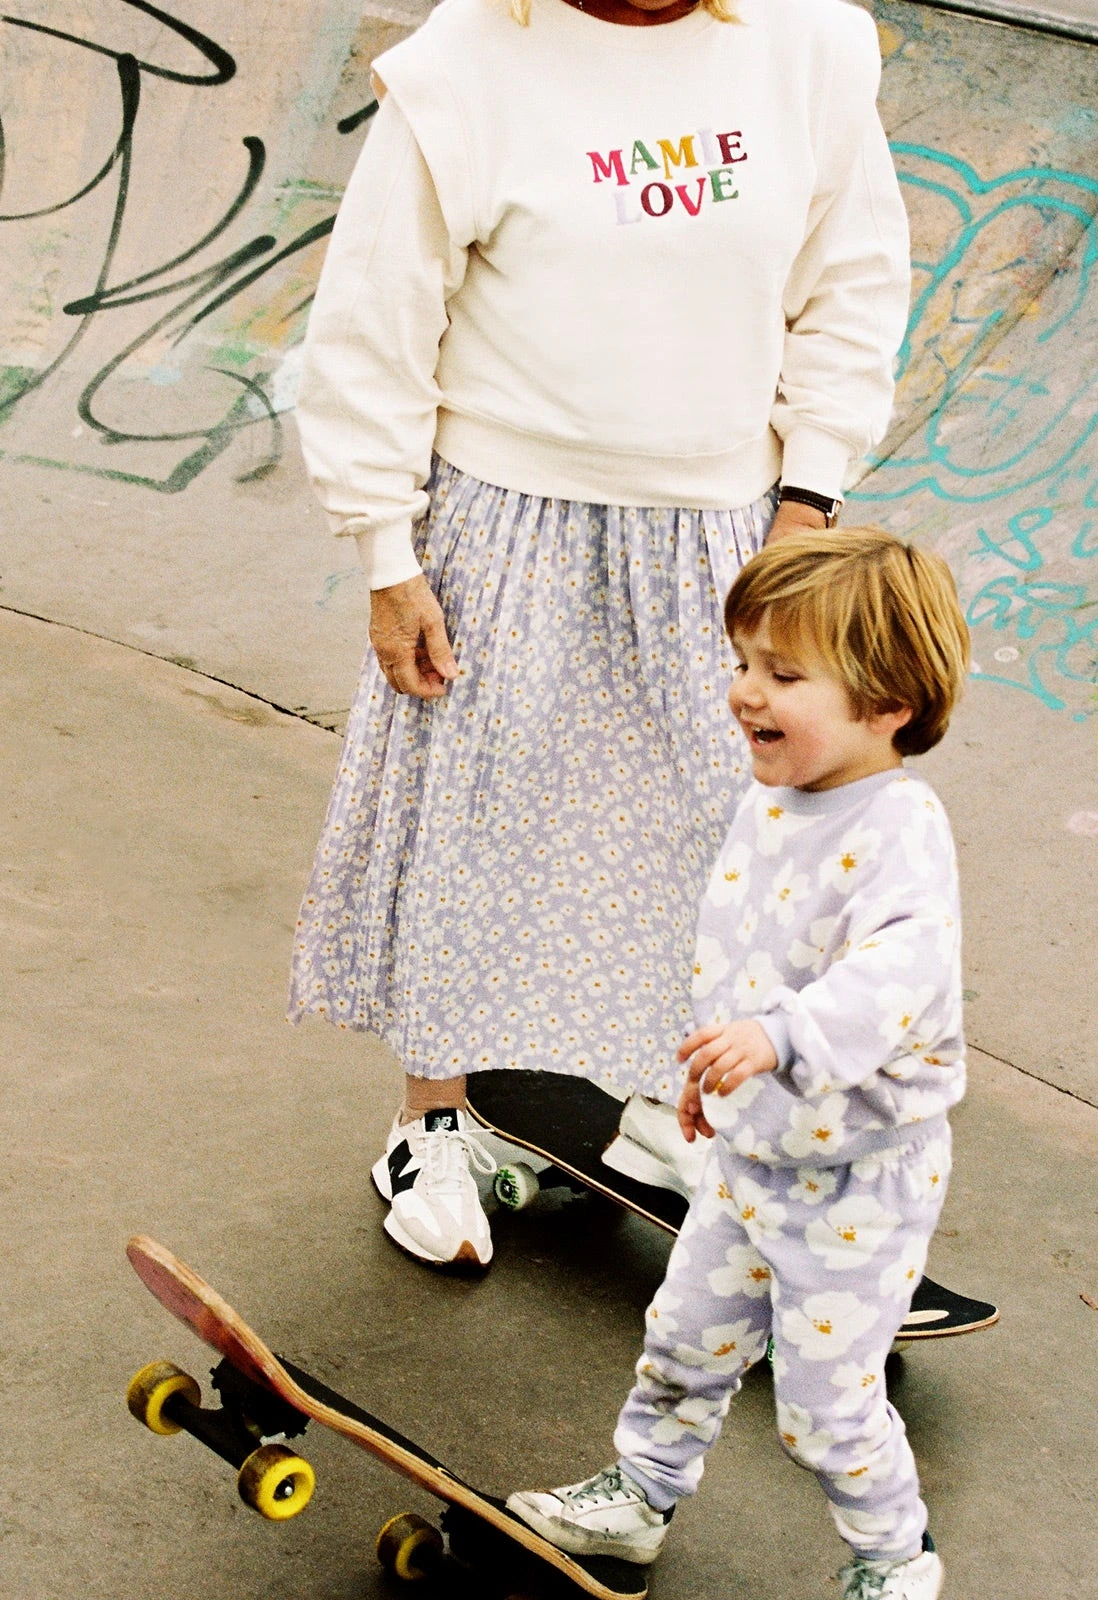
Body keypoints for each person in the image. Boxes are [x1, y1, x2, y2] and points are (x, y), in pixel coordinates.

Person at [288, 0, 911, 1268]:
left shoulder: (807, 47)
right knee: (469, 816)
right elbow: (374, 319)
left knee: (707, 828)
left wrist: (808, 494)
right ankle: (433, 1119)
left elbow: (850, 280)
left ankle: (654, 1102)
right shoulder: (465, 64)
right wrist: (383, 552)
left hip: (718, 526)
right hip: (500, 520)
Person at [507, 528, 969, 1600]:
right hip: (754, 1151)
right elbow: (749, 950)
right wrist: (719, 1068)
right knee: (680, 1339)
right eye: (742, 663)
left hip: (856, 1182)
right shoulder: (774, 798)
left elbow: (900, 972)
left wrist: (783, 1040)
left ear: (887, 699)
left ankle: (893, 1558)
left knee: (823, 1407)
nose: (745, 693)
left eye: (783, 674)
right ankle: (638, 1495)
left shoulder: (898, 823)